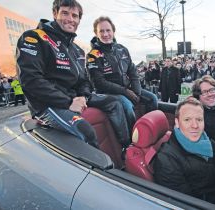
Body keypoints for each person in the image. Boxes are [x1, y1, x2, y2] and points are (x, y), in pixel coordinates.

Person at [16, 0, 130, 148]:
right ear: (55, 13)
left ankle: (126, 149)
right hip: (47, 105)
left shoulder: (77, 50)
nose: (70, 19)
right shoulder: (33, 37)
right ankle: (97, 171)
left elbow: (84, 81)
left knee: (116, 103)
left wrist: (82, 96)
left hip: (74, 97)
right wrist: (68, 102)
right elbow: (31, 80)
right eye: (65, 13)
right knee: (86, 131)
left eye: (75, 16)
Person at [87, 16, 158, 132]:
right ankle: (134, 139)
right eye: (101, 31)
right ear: (96, 33)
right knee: (127, 105)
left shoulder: (122, 49)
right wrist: (125, 92)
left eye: (108, 30)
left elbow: (133, 72)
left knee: (153, 98)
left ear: (113, 31)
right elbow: (99, 83)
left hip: (127, 89)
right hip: (109, 93)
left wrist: (137, 92)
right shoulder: (93, 55)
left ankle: (151, 131)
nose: (105, 34)